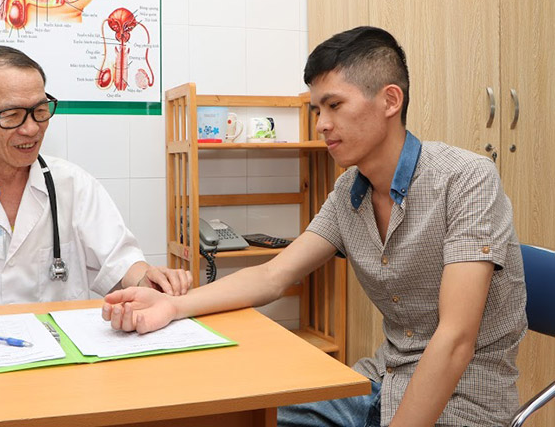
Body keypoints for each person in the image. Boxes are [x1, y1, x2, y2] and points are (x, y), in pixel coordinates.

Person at [101, 26, 527, 427]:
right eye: (316, 110)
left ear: (390, 101)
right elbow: (272, 275)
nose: (321, 123)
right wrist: (173, 307)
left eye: (334, 105)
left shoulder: (466, 180)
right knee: (245, 415)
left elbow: (455, 338)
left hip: (462, 403)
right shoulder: (348, 193)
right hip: (381, 383)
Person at [0, 46, 192, 344]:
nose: (31, 129)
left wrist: (146, 280)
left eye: (40, 111)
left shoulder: (73, 185)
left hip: (59, 353)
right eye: (12, 115)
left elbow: (121, 263)